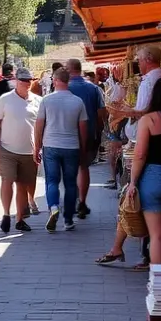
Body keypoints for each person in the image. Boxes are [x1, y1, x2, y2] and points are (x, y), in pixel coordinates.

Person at [98, 77, 161, 266]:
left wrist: (133, 182)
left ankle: (159, 279)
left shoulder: (148, 120)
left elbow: (140, 154)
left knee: (157, 235)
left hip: (153, 177)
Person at [34, 68, 87, 233]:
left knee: (52, 181)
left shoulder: (46, 100)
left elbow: (39, 125)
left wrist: (37, 147)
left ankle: (53, 207)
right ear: (67, 81)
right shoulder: (77, 101)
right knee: (70, 184)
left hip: (51, 145)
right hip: (71, 146)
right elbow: (83, 128)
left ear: (55, 81)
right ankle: (68, 220)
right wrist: (83, 148)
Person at [0, 67, 41, 233]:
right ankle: (6, 214)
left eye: (29, 80)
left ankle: (19, 219)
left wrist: (40, 147)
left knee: (23, 185)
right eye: (23, 80)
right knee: (7, 180)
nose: (27, 83)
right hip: (7, 149)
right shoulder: (5, 99)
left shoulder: (38, 101)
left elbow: (42, 126)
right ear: (16, 81)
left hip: (29, 151)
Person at [64, 58, 106, 220]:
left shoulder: (63, 87)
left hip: (66, 135)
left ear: (68, 70)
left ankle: (72, 200)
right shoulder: (94, 88)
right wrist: (99, 129)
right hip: (89, 133)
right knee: (84, 167)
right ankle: (82, 202)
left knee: (69, 170)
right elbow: (101, 112)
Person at [110, 45, 161, 142]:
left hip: (148, 136)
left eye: (139, 60)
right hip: (151, 133)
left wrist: (128, 112)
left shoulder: (151, 80)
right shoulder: (158, 77)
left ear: (148, 59)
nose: (138, 64)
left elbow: (147, 112)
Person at [102, 64, 128, 187]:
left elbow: (113, 102)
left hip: (119, 123)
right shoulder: (118, 86)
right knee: (114, 155)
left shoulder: (120, 87)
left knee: (114, 155)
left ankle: (115, 180)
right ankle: (115, 179)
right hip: (117, 123)